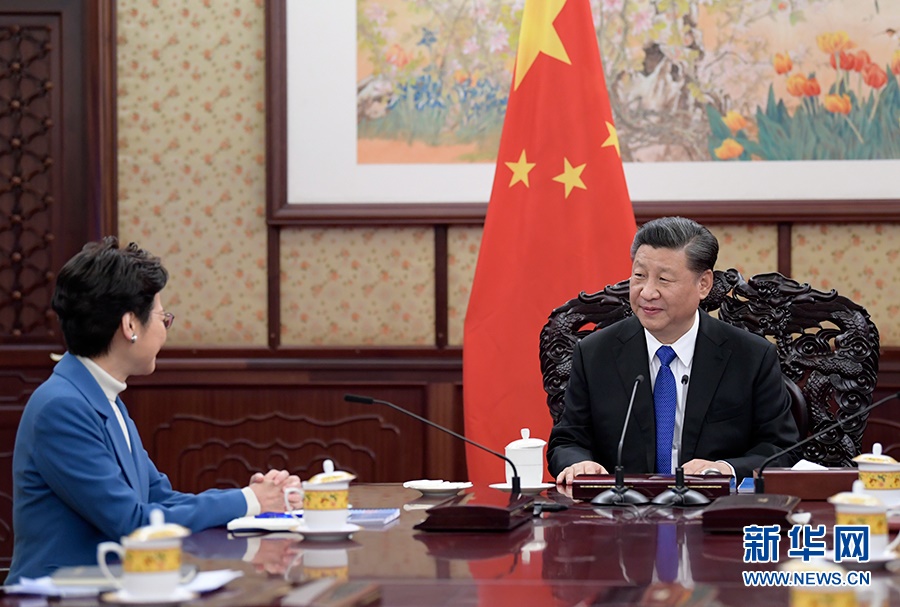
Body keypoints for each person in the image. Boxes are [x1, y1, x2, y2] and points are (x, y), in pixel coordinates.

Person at [7, 237, 302, 583]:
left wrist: (252, 499)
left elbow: (161, 499)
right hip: (60, 595)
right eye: (163, 318)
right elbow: (134, 522)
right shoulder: (63, 408)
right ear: (130, 325)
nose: (164, 331)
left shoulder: (101, 396)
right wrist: (249, 500)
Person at [548, 216, 799, 484]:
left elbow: (782, 449)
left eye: (664, 279)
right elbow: (567, 441)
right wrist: (578, 463)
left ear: (703, 284)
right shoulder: (595, 353)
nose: (647, 292)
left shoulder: (751, 356)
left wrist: (725, 468)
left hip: (713, 504)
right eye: (639, 276)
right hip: (623, 505)